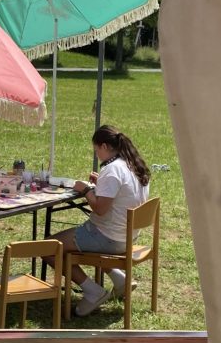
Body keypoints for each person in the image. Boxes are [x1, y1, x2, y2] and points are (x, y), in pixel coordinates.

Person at [54, 124, 151, 317]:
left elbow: (99, 209)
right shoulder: (133, 165)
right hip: (128, 236)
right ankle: (119, 278)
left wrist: (86, 190)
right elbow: (122, 194)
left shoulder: (112, 170)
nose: (97, 154)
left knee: (49, 247)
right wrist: (101, 184)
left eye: (97, 149)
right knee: (67, 243)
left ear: (105, 146)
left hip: (109, 237)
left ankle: (93, 291)